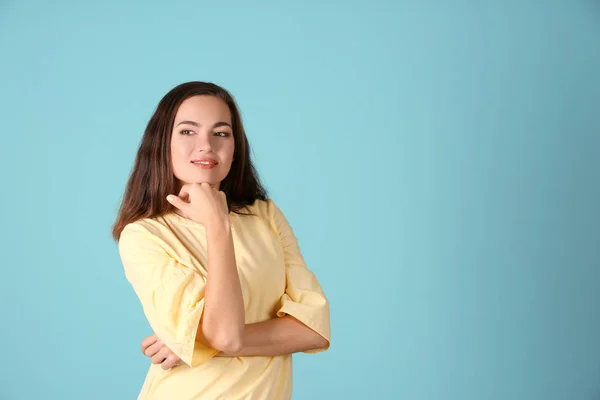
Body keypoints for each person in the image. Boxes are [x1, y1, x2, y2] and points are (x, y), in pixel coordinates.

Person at [112, 81, 331, 399]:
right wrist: (217, 224)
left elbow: (314, 331)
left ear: (235, 146)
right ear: (162, 143)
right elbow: (226, 337)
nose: (206, 145)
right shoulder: (144, 236)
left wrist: (194, 344)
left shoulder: (264, 215)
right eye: (187, 131)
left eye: (221, 132)